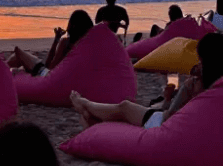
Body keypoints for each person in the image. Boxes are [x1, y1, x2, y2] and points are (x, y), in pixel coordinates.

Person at [70, 31, 223, 130]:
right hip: (176, 123)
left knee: (125, 106)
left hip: (159, 123)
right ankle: (88, 114)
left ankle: (84, 103)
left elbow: (169, 116)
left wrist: (169, 97)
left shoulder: (194, 84)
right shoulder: (217, 84)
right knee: (104, 119)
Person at [7, 9, 94, 76]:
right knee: (27, 58)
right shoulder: (87, 45)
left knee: (18, 54)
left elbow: (50, 67)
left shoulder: (66, 43)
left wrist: (56, 41)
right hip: (67, 78)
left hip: (49, 77)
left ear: (72, 26)